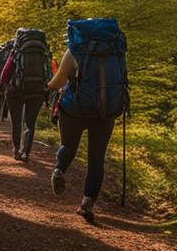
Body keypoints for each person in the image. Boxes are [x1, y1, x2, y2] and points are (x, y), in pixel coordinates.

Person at [46, 18, 129, 223]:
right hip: (105, 113)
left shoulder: (75, 49)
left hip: (74, 110)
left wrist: (47, 88)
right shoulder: (117, 51)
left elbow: (59, 82)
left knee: (69, 145)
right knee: (96, 158)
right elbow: (122, 80)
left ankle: (59, 169)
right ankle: (87, 204)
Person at [0, 29, 54, 161]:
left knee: (16, 122)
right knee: (30, 123)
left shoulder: (17, 52)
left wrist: (2, 86)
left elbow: (5, 73)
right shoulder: (44, 53)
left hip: (16, 92)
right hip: (37, 91)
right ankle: (26, 152)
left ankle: (17, 150)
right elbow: (50, 73)